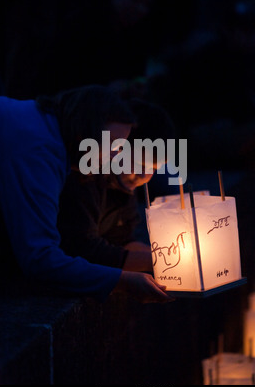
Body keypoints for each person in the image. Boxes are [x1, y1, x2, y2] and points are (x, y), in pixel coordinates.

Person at [0, 85, 172, 303]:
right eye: (113, 145)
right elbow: (40, 259)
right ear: (87, 131)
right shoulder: (39, 155)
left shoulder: (41, 126)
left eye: (120, 149)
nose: (113, 159)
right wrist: (123, 280)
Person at [57, 97, 176, 273]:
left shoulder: (124, 187)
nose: (143, 176)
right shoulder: (83, 179)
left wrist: (170, 256)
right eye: (139, 164)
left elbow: (121, 239)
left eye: (153, 169)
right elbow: (82, 248)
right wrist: (161, 262)